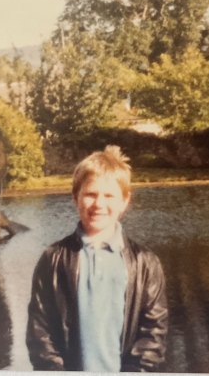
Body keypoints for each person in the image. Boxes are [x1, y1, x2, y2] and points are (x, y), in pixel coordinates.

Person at [26, 145, 168, 372]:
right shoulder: (53, 259)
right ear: (75, 198)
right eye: (90, 194)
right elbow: (40, 332)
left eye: (109, 195)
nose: (99, 204)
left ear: (124, 201)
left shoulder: (145, 263)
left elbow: (153, 335)